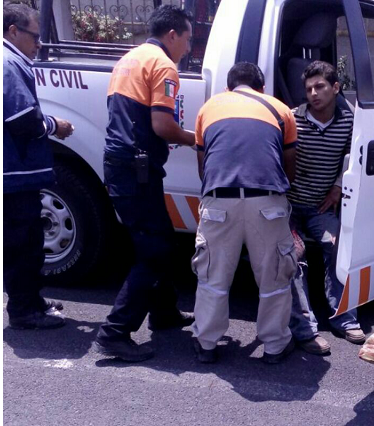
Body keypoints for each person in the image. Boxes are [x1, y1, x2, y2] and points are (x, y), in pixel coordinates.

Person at [93, 5, 196, 362]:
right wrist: (195, 138)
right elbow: (162, 127)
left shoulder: (130, 58)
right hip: (137, 169)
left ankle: (164, 311)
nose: (188, 48)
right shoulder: (164, 65)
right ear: (172, 35)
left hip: (124, 165)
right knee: (154, 249)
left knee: (161, 239)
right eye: (187, 39)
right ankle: (115, 332)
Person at [191, 62, 299, 364]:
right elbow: (289, 166)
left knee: (213, 275)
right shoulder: (281, 110)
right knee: (275, 276)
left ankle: (207, 344)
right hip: (267, 201)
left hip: (219, 199)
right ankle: (275, 347)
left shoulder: (208, 109)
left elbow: (204, 166)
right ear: (261, 87)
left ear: (229, 87)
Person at [3, 3, 74, 330]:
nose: (39, 43)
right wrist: (52, 125)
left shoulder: (13, 61)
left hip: (18, 171)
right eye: (35, 35)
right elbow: (20, 119)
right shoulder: (8, 63)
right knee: (22, 244)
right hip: (14, 172)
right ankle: (23, 310)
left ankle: (31, 300)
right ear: (13, 31)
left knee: (28, 240)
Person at [287, 61, 365, 355]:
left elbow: (353, 156)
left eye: (320, 86)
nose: (313, 93)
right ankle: (305, 328)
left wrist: (336, 186)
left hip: (321, 207)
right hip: (290, 206)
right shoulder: (293, 118)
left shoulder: (350, 120)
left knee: (337, 247)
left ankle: (343, 318)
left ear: (335, 88)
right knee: (294, 256)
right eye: (308, 89)